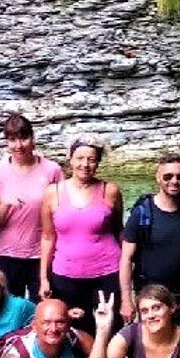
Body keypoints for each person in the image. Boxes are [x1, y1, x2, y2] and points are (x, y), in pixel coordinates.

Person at [39, 134, 123, 334]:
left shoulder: (110, 191)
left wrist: (129, 274)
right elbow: (48, 237)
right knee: (68, 333)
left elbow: (119, 231)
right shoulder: (53, 193)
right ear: (70, 159)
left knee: (108, 331)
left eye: (91, 159)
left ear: (98, 162)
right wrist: (43, 278)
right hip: (65, 276)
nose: (85, 164)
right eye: (80, 158)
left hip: (107, 273)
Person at [119, 153, 180, 328]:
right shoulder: (142, 213)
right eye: (168, 176)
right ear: (158, 178)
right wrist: (126, 299)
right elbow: (126, 258)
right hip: (149, 293)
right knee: (151, 345)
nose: (174, 181)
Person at [0, 113, 62, 300]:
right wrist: (8, 204)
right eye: (12, 140)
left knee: (43, 310)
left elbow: (61, 213)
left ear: (33, 139)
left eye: (23, 138)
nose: (18, 145)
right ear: (6, 142)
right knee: (7, 313)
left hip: (42, 255)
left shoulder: (52, 170)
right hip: (7, 254)